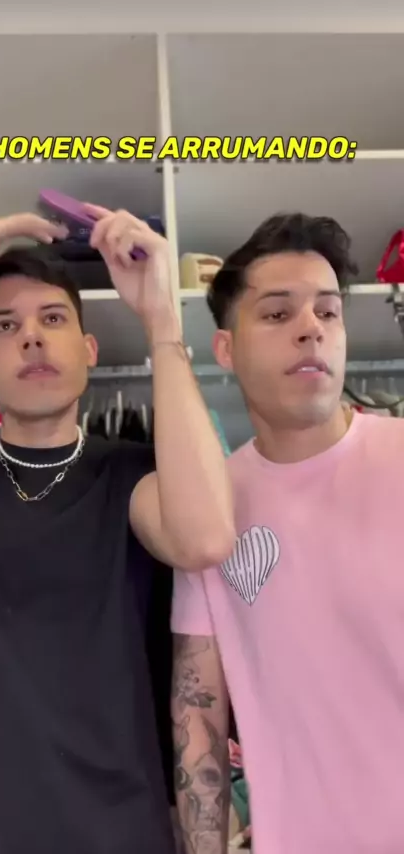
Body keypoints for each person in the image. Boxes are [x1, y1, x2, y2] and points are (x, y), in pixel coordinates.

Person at [0, 205, 236, 854]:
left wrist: (161, 321)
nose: (31, 338)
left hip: (119, 834)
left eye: (53, 319)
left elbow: (205, 539)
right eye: (6, 325)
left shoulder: (133, 476)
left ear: (89, 353)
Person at [170, 212, 404, 854]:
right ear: (225, 349)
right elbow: (198, 719)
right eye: (278, 314)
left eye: (328, 312)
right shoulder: (208, 511)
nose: (311, 328)